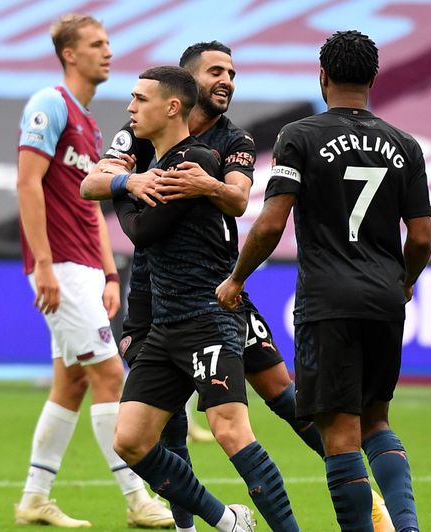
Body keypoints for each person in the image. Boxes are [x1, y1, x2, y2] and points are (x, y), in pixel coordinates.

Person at [84, 41, 392, 532]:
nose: (226, 80)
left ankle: (358, 487)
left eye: (231, 72)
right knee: (160, 425)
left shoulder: (228, 142)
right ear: (185, 85)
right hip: (156, 297)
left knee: (281, 398)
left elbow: (237, 198)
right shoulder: (141, 130)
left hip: (217, 295)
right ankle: (200, 523)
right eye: (215, 72)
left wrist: (200, 185)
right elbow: (92, 183)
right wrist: (131, 183)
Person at [216, 30, 431, 532]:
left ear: (323, 76)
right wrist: (404, 282)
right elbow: (421, 237)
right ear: (373, 79)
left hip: (327, 301)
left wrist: (236, 278)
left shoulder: (300, 136)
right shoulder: (406, 145)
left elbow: (270, 224)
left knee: (339, 433)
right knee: (377, 421)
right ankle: (407, 526)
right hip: (384, 299)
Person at [105, 65, 299, 532]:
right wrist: (129, 182)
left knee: (231, 430)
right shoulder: (155, 163)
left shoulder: (193, 161)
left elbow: (141, 231)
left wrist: (124, 188)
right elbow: (91, 183)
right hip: (166, 327)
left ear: (172, 107)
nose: (130, 108)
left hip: (206, 320)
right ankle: (228, 521)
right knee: (130, 440)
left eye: (139, 99)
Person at [13, 13, 173, 529]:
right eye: (97, 44)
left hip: (83, 266)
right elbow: (28, 184)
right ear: (70, 54)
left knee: (72, 384)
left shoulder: (90, 121)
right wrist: (43, 264)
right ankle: (137, 497)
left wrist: (109, 273)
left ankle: (34, 498)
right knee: (109, 375)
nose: (108, 51)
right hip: (59, 264)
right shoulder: (50, 104)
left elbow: (91, 208)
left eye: (107, 43)